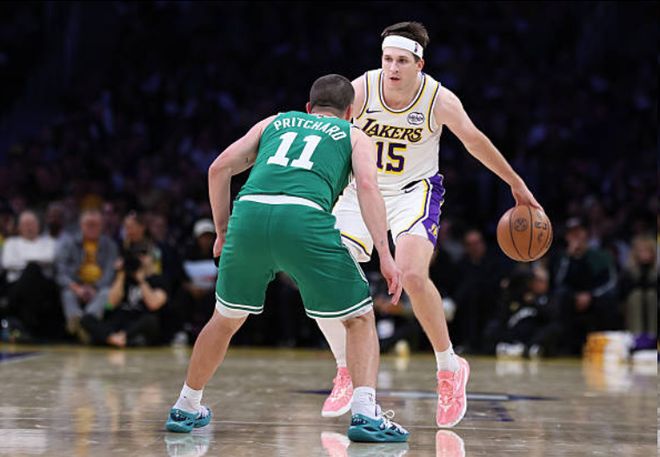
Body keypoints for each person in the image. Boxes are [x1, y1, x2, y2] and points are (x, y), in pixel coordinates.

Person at [314, 22, 543, 428]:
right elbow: (324, 131)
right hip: (359, 191)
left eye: (402, 61)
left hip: (412, 193)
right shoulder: (360, 90)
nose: (393, 68)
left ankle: (449, 367)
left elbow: (475, 141)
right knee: (322, 274)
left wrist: (516, 183)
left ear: (419, 63)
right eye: (387, 59)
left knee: (413, 275)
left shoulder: (438, 99)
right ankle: (345, 368)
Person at [165, 74, 408, 443]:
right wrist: (386, 254)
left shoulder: (275, 122)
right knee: (359, 318)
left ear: (308, 107)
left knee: (224, 319)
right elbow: (367, 187)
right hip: (303, 218)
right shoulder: (353, 134)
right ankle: (365, 414)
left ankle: (186, 405)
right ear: (350, 112)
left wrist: (223, 232)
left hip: (249, 215)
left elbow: (218, 168)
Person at [55, 209, 119, 340]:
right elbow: (60, 271)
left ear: (101, 226)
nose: (91, 228)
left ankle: (87, 322)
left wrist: (95, 288)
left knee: (107, 293)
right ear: (81, 225)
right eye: (88, 224)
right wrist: (76, 288)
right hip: (76, 285)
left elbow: (110, 273)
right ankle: (77, 321)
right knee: (67, 294)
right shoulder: (69, 243)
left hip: (99, 287)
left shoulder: (110, 245)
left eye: (95, 225)